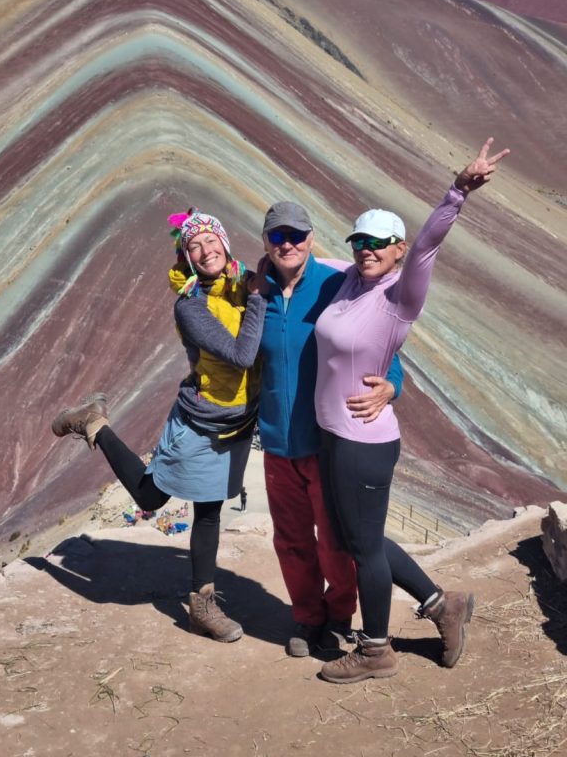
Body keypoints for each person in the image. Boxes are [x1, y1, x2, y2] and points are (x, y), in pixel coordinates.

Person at [313, 139, 510, 682]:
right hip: (334, 435)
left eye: (379, 242)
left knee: (365, 549)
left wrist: (459, 191)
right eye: (360, 241)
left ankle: (376, 651)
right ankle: (442, 606)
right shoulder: (350, 280)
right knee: (362, 540)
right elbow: (305, 260)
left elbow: (428, 245)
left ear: (397, 249)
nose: (367, 249)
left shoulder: (401, 294)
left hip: (364, 441)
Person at [52, 209, 267, 643]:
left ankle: (202, 607)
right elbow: (242, 355)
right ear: (186, 258)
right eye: (194, 246)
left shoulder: (244, 283)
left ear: (225, 243)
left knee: (209, 510)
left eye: (211, 241)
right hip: (200, 420)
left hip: (239, 422)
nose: (205, 251)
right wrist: (261, 297)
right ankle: (95, 422)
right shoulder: (191, 306)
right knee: (151, 496)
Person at [254, 200, 404, 657]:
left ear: (312, 238)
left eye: (296, 235)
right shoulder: (254, 295)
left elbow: (383, 349)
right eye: (278, 236)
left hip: (329, 443)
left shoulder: (337, 284)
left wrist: (390, 387)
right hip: (278, 442)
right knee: (291, 539)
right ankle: (306, 617)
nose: (288, 244)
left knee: (336, 541)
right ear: (266, 242)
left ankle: (339, 616)